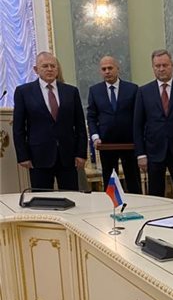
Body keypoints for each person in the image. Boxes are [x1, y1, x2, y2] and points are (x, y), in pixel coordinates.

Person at [13, 51, 87, 190]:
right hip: (38, 156)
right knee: (42, 197)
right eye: (45, 66)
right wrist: (23, 156)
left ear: (57, 69)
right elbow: (18, 128)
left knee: (71, 196)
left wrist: (81, 153)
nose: (49, 69)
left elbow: (80, 126)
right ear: (36, 69)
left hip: (68, 156)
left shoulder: (71, 91)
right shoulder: (24, 92)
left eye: (53, 66)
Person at [134, 49, 173, 201]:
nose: (161, 69)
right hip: (154, 151)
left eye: (165, 65)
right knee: (155, 195)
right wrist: (141, 154)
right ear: (153, 67)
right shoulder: (143, 91)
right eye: (157, 66)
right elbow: (138, 125)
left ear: (172, 65)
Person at [87, 56, 141, 193]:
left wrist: (139, 139)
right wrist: (95, 137)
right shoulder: (95, 91)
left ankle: (137, 202)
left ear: (117, 68)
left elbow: (138, 116)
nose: (107, 71)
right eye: (104, 69)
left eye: (110, 68)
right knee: (110, 181)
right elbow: (91, 116)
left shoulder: (132, 89)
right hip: (106, 144)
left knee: (133, 180)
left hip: (129, 143)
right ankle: (112, 204)